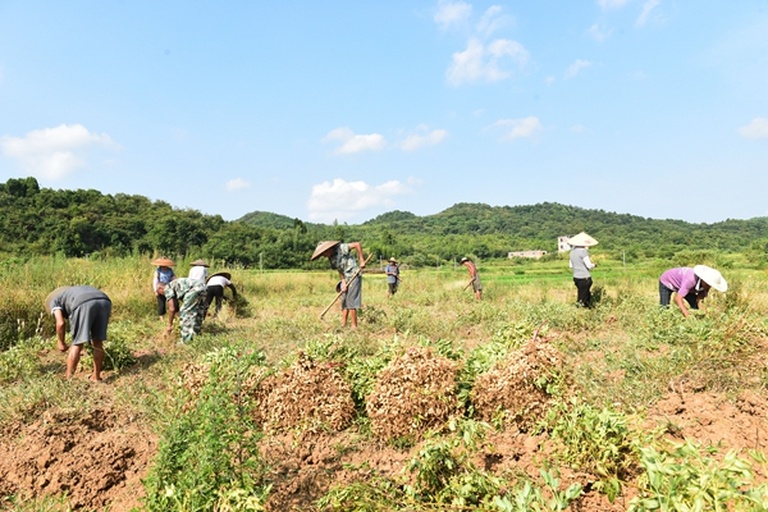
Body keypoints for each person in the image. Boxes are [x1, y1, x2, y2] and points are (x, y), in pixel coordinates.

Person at [45, 285, 112, 381]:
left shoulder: (54, 301)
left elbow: (60, 323)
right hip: (104, 300)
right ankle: (96, 377)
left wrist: (61, 342)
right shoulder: (73, 292)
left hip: (83, 303)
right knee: (98, 343)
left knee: (77, 343)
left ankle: (69, 379)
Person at [311, 240, 366, 328]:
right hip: (345, 278)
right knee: (344, 300)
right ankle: (343, 324)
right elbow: (340, 270)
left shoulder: (342, 248)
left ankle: (354, 326)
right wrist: (343, 282)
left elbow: (357, 244)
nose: (324, 256)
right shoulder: (331, 259)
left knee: (351, 301)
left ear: (328, 249)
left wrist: (361, 260)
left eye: (324, 253)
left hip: (354, 274)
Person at [659, 265, 728, 318]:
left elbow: (700, 297)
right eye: (707, 284)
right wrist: (687, 316)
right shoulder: (691, 280)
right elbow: (678, 298)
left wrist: (701, 310)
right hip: (667, 281)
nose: (708, 287)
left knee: (694, 304)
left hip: (682, 284)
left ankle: (696, 317)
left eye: (710, 285)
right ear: (703, 280)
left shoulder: (706, 284)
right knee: (664, 308)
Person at [164, 277, 207, 343]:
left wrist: (169, 325)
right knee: (198, 311)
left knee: (186, 313)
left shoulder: (166, 288)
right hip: (204, 287)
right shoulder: (175, 284)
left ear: (160, 289)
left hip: (194, 289)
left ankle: (186, 339)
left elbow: (172, 308)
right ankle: (196, 335)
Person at [567, 232, 598, 308]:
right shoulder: (583, 252)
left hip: (576, 277)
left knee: (584, 294)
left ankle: (586, 309)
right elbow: (589, 265)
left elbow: (571, 265)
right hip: (584, 277)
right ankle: (580, 309)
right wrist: (594, 265)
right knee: (583, 297)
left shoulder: (572, 253)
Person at [151, 257, 177, 321]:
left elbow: (173, 278)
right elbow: (155, 280)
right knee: (161, 303)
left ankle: (176, 316)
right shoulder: (158, 271)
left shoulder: (170, 270)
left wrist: (175, 284)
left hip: (169, 287)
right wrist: (155, 290)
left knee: (174, 302)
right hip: (160, 287)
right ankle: (162, 318)